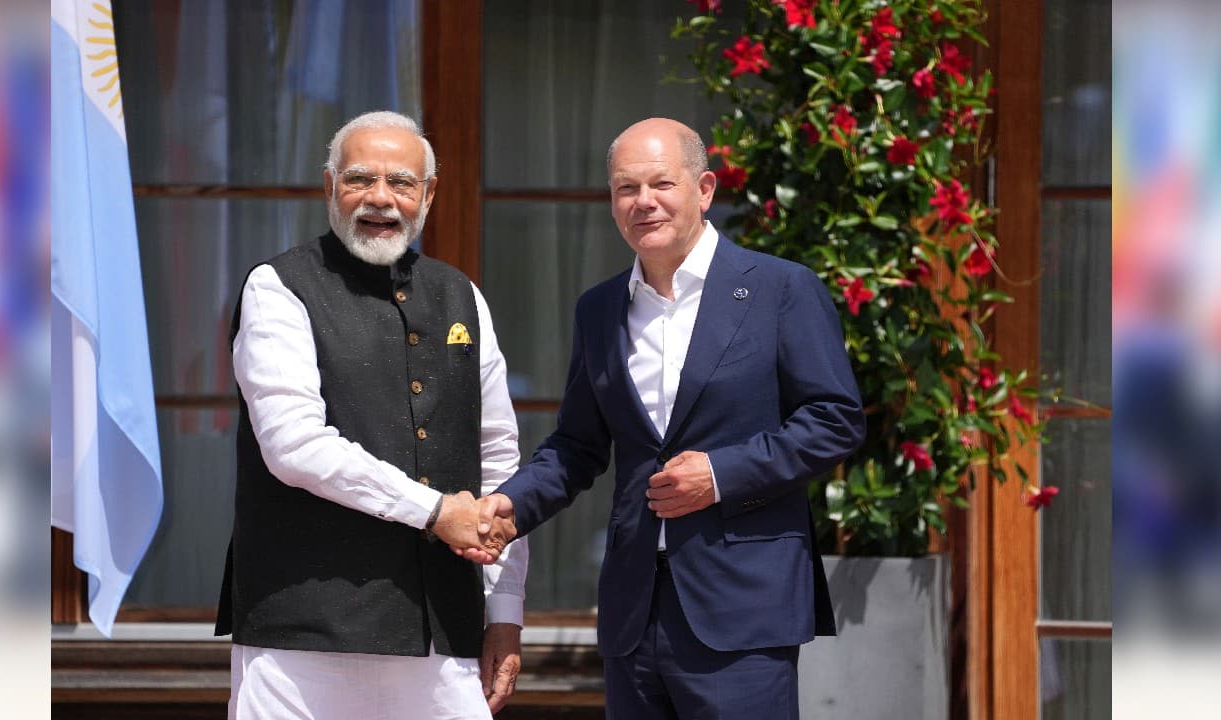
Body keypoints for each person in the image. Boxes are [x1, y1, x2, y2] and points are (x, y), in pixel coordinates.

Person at [470, 118, 865, 719]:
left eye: (661, 184)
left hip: (742, 608)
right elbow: (577, 446)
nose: (643, 202)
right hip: (633, 610)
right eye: (626, 189)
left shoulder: (781, 288)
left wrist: (722, 474)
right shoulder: (599, 309)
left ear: (704, 190)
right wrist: (511, 505)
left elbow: (835, 420)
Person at [214, 110, 527, 720]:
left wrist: (505, 611)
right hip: (302, 641)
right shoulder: (277, 288)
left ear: (428, 195)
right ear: (329, 186)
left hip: (444, 635)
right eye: (360, 179)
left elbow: (499, 458)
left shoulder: (463, 295)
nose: (380, 198)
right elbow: (294, 445)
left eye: (402, 182)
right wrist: (436, 512)